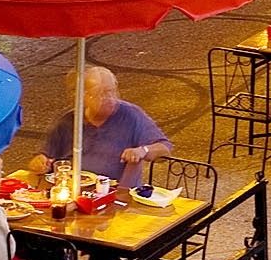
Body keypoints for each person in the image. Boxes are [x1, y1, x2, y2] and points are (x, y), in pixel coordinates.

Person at [32, 66, 170, 192]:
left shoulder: (131, 115)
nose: (109, 98)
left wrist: (143, 150)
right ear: (83, 96)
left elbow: (164, 150)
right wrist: (40, 162)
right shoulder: (68, 120)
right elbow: (43, 157)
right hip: (71, 190)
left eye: (111, 91)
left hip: (116, 193)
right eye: (99, 93)